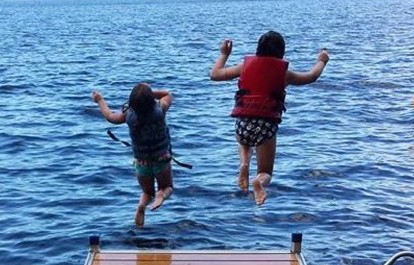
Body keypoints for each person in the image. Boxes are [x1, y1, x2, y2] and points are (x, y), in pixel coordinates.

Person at [210, 30, 329, 205]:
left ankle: (244, 164)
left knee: (243, 141)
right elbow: (311, 76)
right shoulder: (284, 73)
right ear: (281, 52)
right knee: (266, 171)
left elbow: (215, 75)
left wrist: (224, 54)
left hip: (243, 124)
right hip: (266, 126)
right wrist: (321, 60)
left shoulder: (244, 67)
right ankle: (258, 182)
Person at [91, 82, 174, 228]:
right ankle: (161, 195)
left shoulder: (128, 115)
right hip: (161, 158)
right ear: (151, 99)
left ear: (132, 103)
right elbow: (168, 94)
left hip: (142, 162)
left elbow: (110, 116)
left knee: (147, 193)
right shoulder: (160, 109)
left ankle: (142, 205)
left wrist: (100, 100)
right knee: (167, 187)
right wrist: (150, 93)